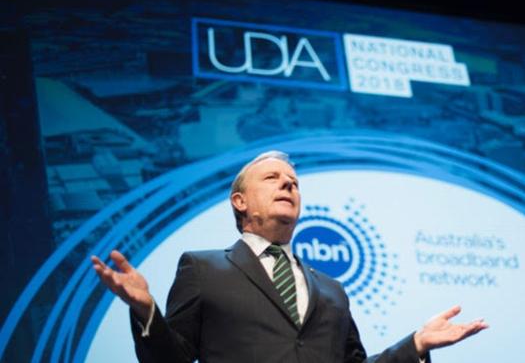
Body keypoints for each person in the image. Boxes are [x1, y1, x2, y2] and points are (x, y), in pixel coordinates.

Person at [91, 151, 488, 363]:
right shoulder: (202, 268)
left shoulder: (332, 290)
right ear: (240, 202)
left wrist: (415, 344)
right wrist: (145, 311)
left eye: (294, 182)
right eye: (273, 178)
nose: (288, 183)